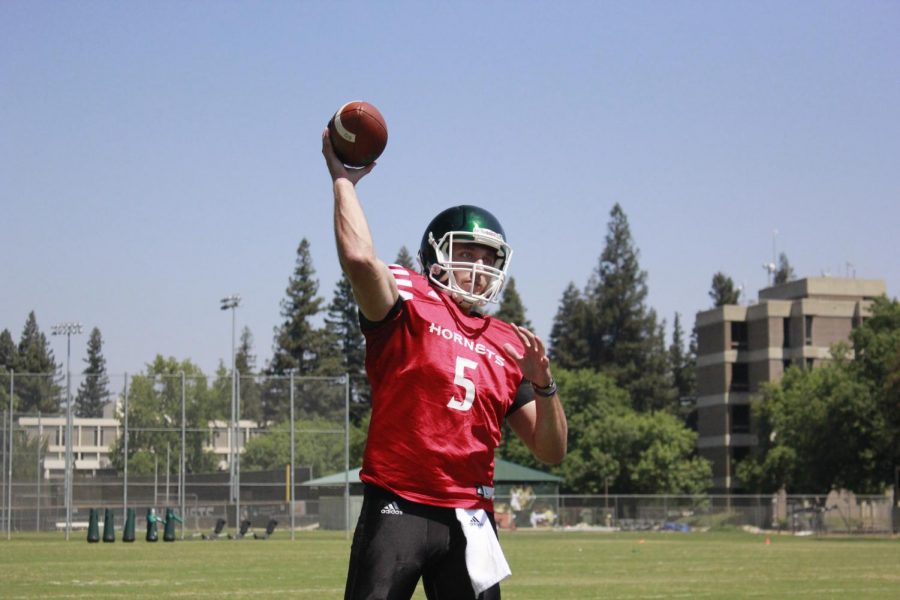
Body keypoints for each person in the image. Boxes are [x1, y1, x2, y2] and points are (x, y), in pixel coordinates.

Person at [322, 128, 567, 600]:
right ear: (436, 255)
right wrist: (343, 181)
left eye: (487, 258)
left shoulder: (508, 343)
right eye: (465, 253)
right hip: (399, 505)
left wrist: (546, 387)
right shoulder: (409, 299)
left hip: (472, 517)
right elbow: (357, 258)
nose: (478, 267)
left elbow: (551, 450)